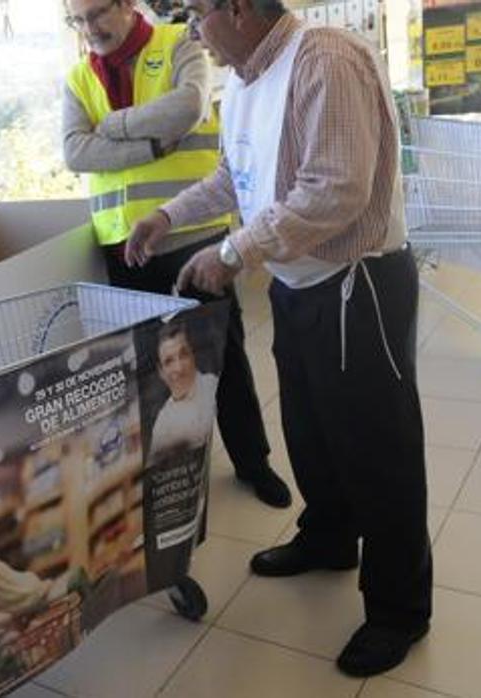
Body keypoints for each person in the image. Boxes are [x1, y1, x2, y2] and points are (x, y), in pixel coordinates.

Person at [124, 0, 431, 676]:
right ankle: (328, 536)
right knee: (311, 427)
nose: (191, 29)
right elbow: (234, 177)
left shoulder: (323, 58)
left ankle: (399, 609)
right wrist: (169, 215)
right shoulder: (243, 78)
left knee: (379, 451)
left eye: (196, 12)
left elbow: (336, 189)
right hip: (299, 283)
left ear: (236, 8)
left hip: (359, 284)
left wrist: (233, 253)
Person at [61, 0, 291, 509]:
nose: (88, 29)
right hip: (124, 244)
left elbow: (187, 107)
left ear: (125, 4)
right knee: (153, 365)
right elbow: (75, 151)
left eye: (97, 14)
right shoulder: (78, 77)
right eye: (76, 21)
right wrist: (149, 146)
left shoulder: (180, 42)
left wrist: (113, 126)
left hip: (192, 230)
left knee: (222, 355)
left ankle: (254, 463)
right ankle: (174, 477)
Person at [149, 323, 215, 456]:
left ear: (193, 354)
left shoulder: (213, 384)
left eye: (184, 354)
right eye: (169, 361)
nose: (179, 368)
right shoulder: (162, 424)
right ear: (161, 372)